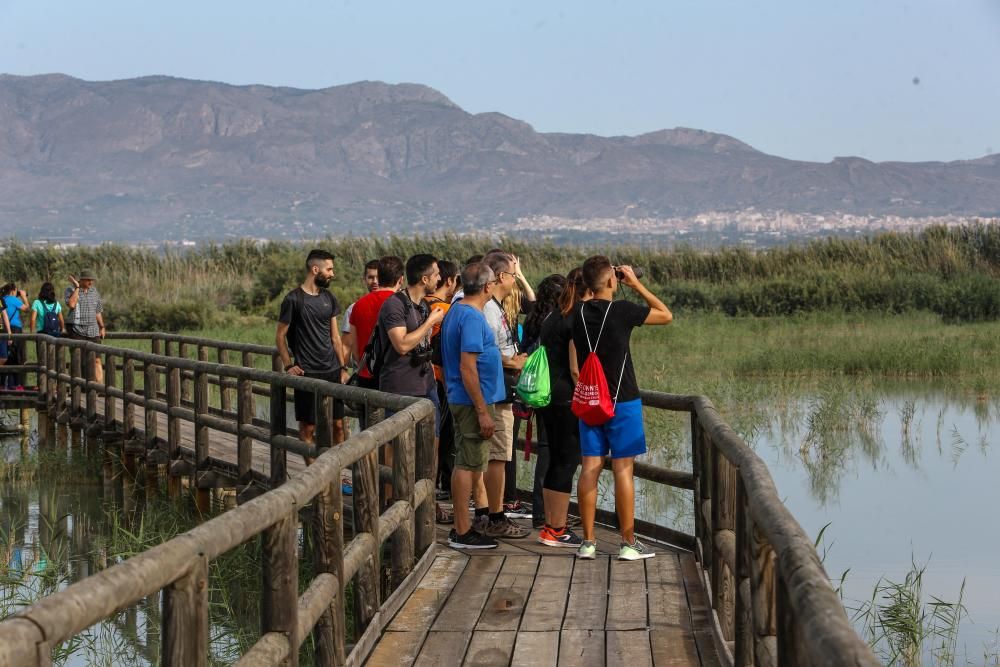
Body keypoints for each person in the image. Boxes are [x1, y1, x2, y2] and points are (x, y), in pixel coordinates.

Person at [572, 256, 672, 561]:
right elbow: (665, 315)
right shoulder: (622, 311)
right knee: (623, 470)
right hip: (621, 399)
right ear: (613, 281)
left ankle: (588, 542)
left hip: (589, 399)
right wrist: (637, 283)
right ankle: (628, 544)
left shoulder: (577, 314)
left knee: (590, 468)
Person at [441, 262, 506, 549]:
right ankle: (463, 530)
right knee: (468, 464)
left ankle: (462, 526)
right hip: (471, 402)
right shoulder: (471, 318)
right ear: (488, 287)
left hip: (464, 398)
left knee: (467, 462)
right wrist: (482, 411)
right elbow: (468, 368)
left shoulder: (456, 310)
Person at [276, 249, 349, 478]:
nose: (332, 274)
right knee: (308, 428)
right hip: (307, 373)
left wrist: (343, 367)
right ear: (315, 269)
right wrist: (289, 365)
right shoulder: (293, 299)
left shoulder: (329, 299)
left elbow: (335, 337)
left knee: (338, 426)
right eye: (329, 269)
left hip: (332, 371)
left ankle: (336, 472)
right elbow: (280, 336)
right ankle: (316, 475)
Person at [533, 272, 589, 547]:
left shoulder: (553, 316)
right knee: (567, 463)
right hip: (567, 398)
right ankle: (558, 528)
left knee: (555, 460)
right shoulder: (576, 318)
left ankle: (550, 526)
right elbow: (576, 368)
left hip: (548, 397)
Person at [480, 251, 529, 539]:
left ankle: (491, 513)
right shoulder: (488, 309)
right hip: (495, 394)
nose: (514, 280)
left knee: (498, 457)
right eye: (513, 275)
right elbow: (483, 349)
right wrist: (511, 361)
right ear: (501, 277)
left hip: (501, 391)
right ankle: (494, 516)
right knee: (497, 457)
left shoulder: (497, 307)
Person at [425, 260, 459, 498]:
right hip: (441, 378)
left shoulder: (420, 304)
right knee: (442, 436)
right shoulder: (445, 311)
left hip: (422, 379)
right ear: (450, 281)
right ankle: (438, 484)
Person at [349, 256, 405, 397]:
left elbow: (355, 350)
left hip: (365, 376)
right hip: (394, 378)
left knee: (367, 418)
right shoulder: (402, 304)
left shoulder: (358, 305)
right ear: (401, 279)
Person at [65, 270, 106, 384]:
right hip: (76, 329)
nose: (91, 282)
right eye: (88, 280)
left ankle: (99, 386)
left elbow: (98, 311)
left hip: (93, 330)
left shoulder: (94, 291)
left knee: (97, 360)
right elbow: (72, 304)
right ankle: (74, 386)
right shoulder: (71, 290)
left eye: (92, 280)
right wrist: (77, 288)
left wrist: (102, 326)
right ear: (81, 280)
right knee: (77, 359)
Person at [340, 259, 379, 369]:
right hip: (361, 372)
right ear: (364, 280)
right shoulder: (353, 308)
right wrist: (343, 371)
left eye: (378, 277)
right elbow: (346, 345)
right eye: (370, 277)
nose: (375, 281)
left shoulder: (396, 306)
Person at [1, 284, 29, 390]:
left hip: (4, 329)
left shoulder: (2, 299)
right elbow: (26, 309)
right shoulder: (14, 299)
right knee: (17, 356)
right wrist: (24, 297)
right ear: (13, 291)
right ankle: (17, 384)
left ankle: (3, 384)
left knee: (5, 356)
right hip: (15, 329)